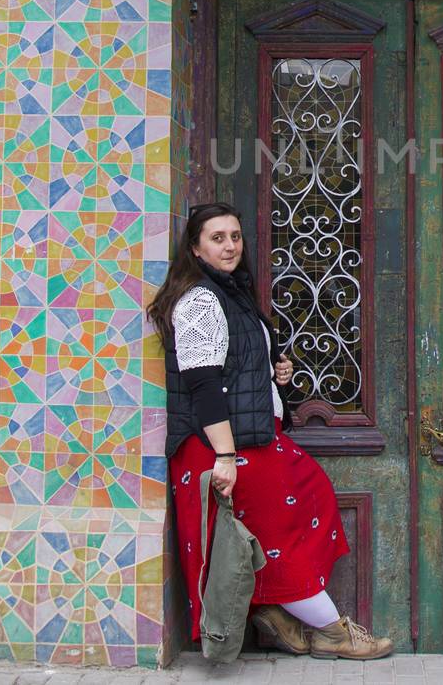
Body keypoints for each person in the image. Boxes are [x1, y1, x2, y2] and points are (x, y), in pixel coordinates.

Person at [149, 201, 393, 660]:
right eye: (217, 238)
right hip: (220, 445)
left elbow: (234, 366)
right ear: (196, 250)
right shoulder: (201, 300)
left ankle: (277, 610)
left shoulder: (231, 292)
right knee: (279, 536)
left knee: (305, 500)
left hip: (251, 436)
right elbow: (203, 386)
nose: (229, 246)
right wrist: (223, 458)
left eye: (235, 236)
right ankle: (333, 631)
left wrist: (272, 373)